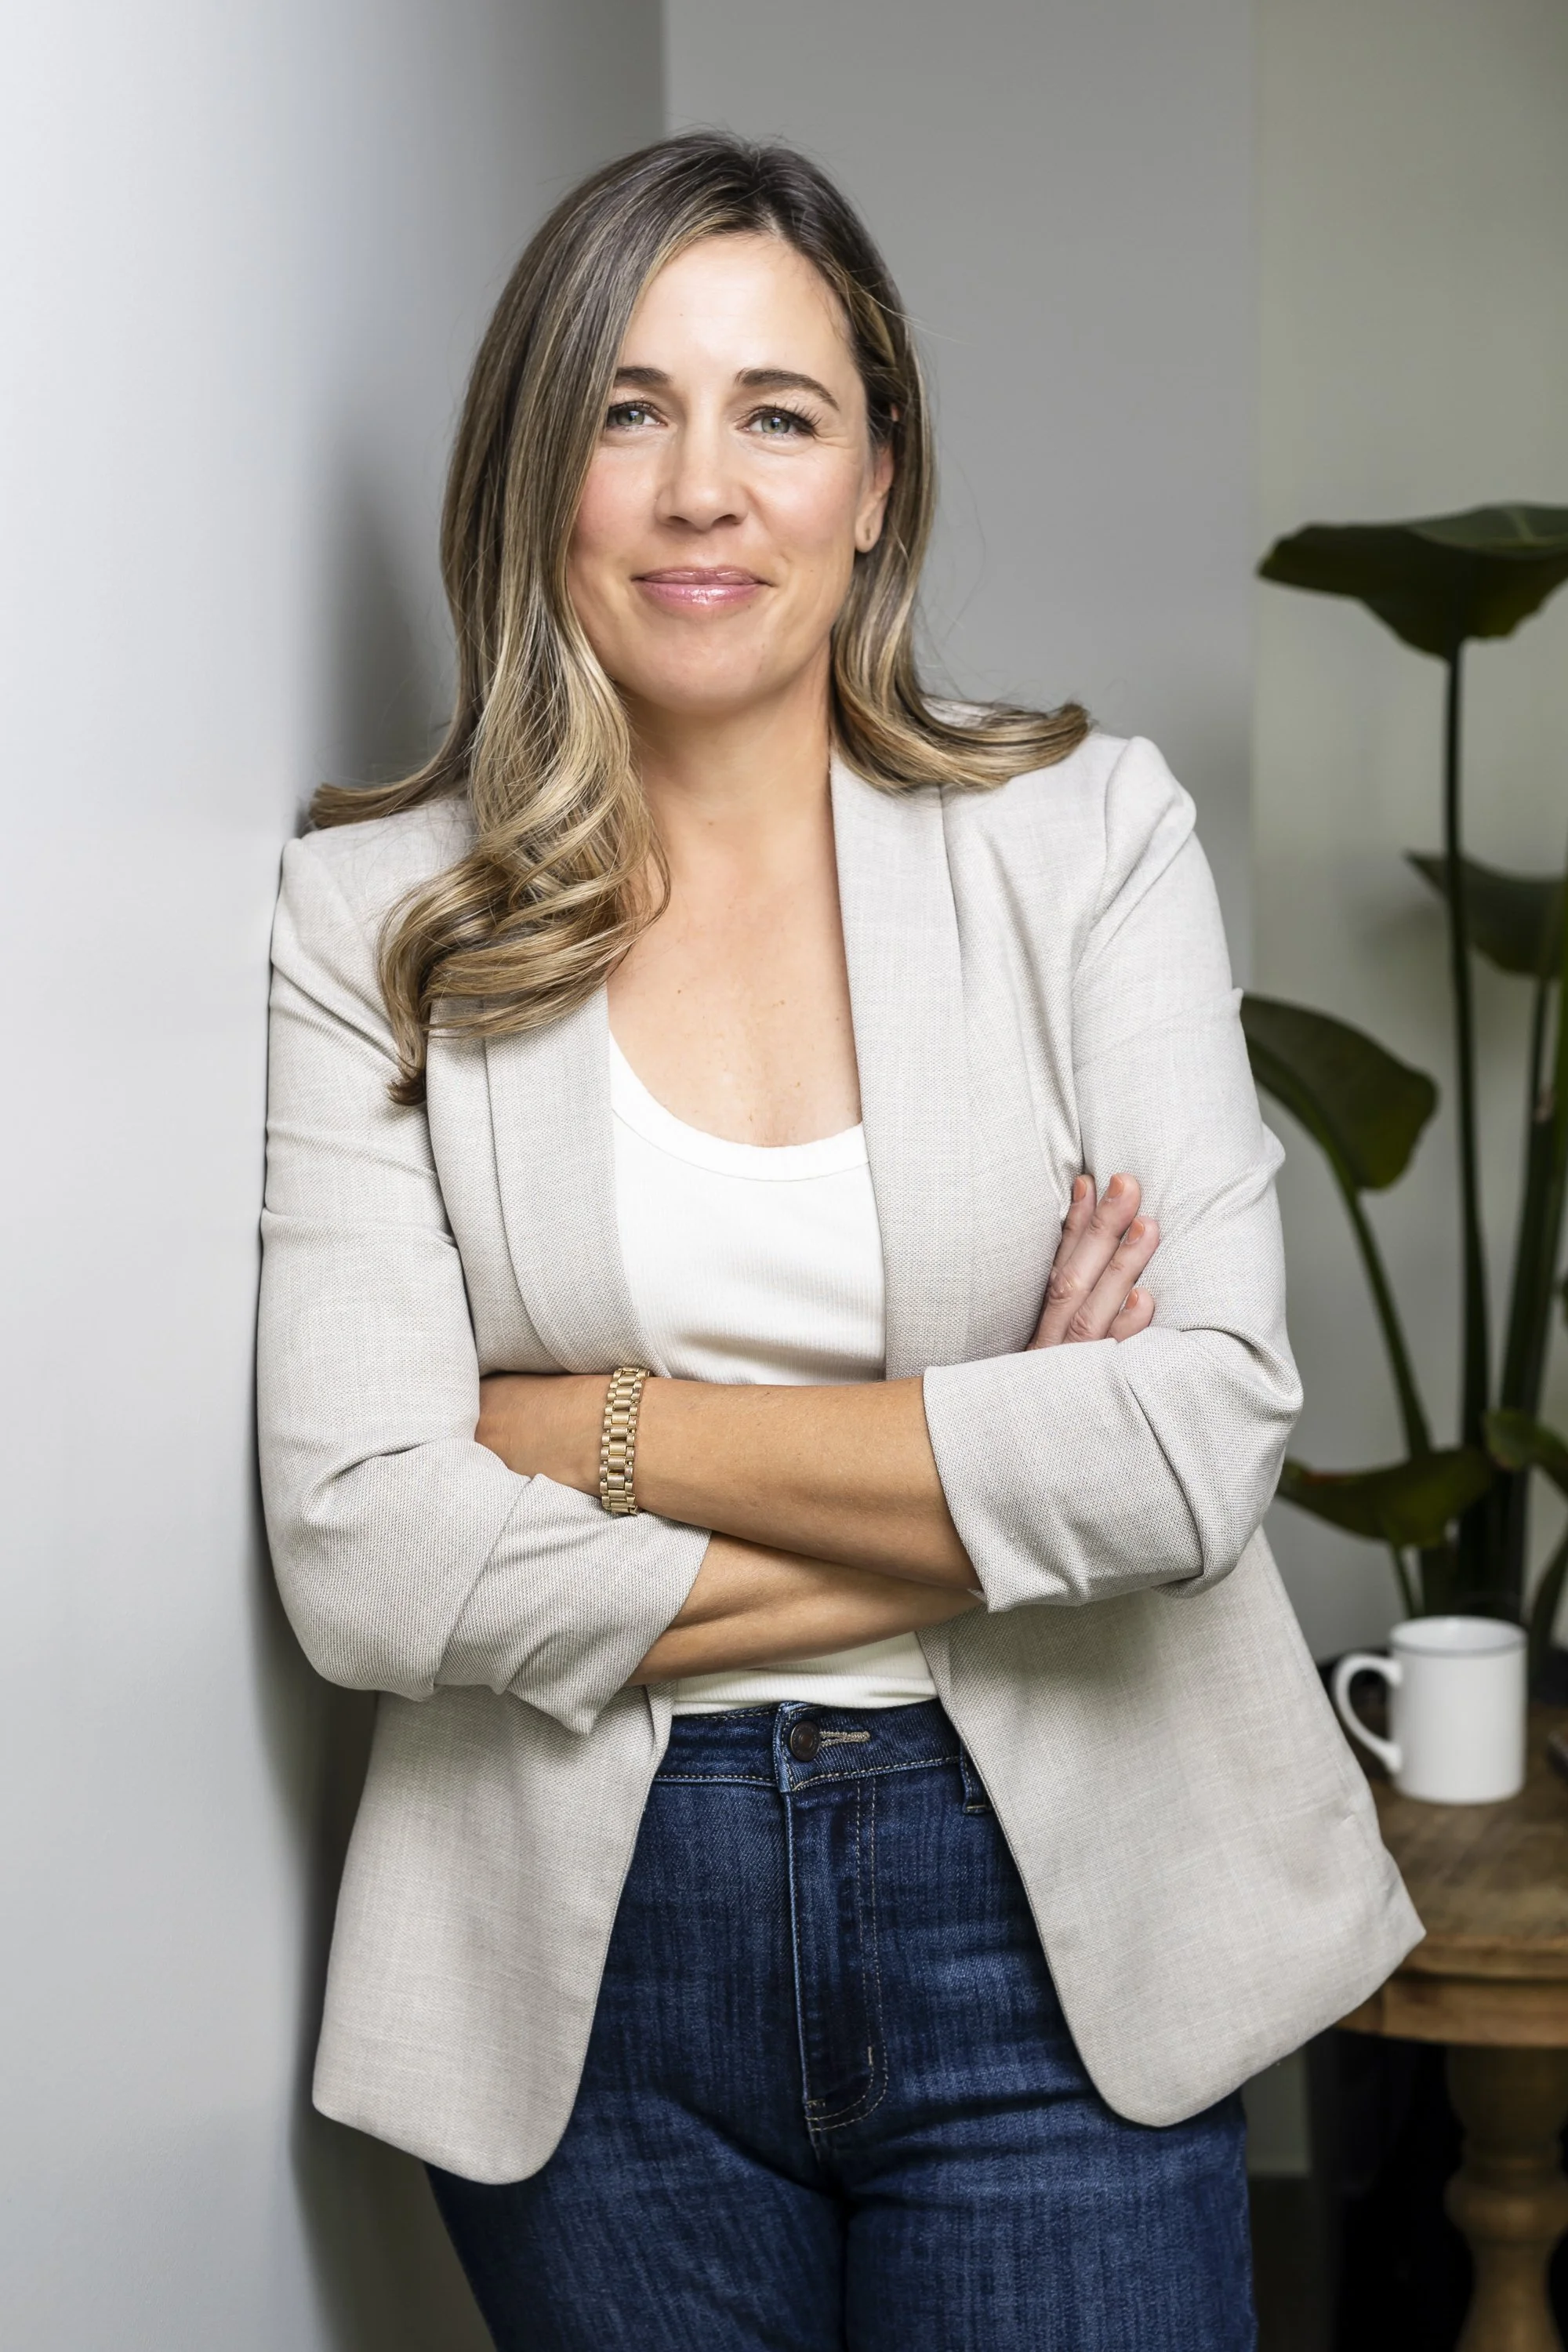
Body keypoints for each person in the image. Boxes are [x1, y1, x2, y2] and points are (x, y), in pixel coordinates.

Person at [258, 132, 1420, 2351]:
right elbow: (370, 1563)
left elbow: (1192, 1452)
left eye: (778, 412)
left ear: (875, 474)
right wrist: (1001, 1473)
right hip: (585, 1969)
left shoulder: (1088, 844)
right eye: (628, 407)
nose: (706, 488)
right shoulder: (375, 919)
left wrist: (593, 1427)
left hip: (1062, 1915)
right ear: (542, 471)